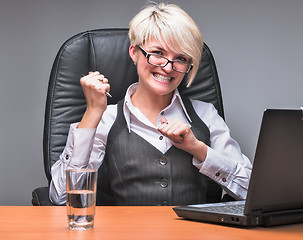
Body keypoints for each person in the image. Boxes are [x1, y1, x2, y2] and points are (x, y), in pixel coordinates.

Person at [49, 2, 252, 206]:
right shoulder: (106, 119)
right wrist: (92, 113)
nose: (167, 67)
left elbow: (252, 192)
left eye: (180, 58)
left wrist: (199, 149)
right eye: (158, 53)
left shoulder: (205, 115)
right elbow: (61, 197)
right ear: (134, 53)